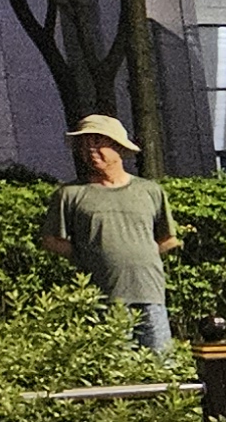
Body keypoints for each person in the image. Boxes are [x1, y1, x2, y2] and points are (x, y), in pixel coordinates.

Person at [44, 116, 177, 355]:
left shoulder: (150, 191)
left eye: (97, 142)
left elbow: (167, 239)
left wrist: (139, 256)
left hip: (150, 294)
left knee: (161, 366)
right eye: (84, 144)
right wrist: (88, 257)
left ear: (119, 148)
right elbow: (53, 240)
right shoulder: (70, 194)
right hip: (101, 298)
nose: (90, 150)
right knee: (114, 368)